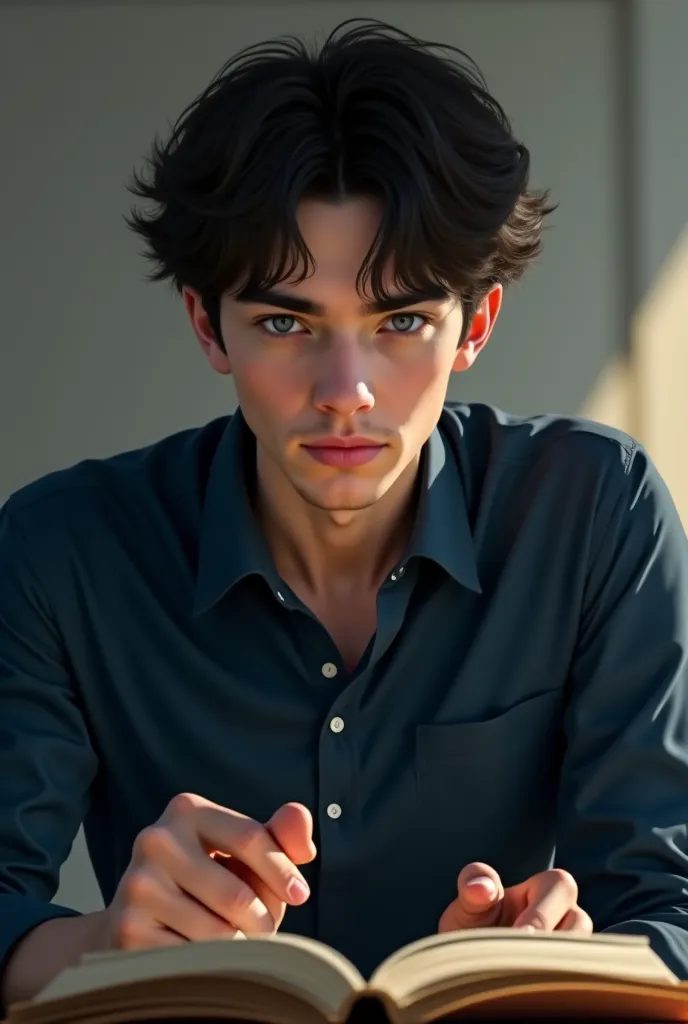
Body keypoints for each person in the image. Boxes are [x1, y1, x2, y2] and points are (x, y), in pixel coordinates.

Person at [1, 16, 688, 1011]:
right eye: (286, 322)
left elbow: (669, 909)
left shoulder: (593, 512)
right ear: (208, 324)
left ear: (475, 324)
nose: (346, 390)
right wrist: (110, 938)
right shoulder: (60, 553)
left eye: (400, 320)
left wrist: (561, 960)